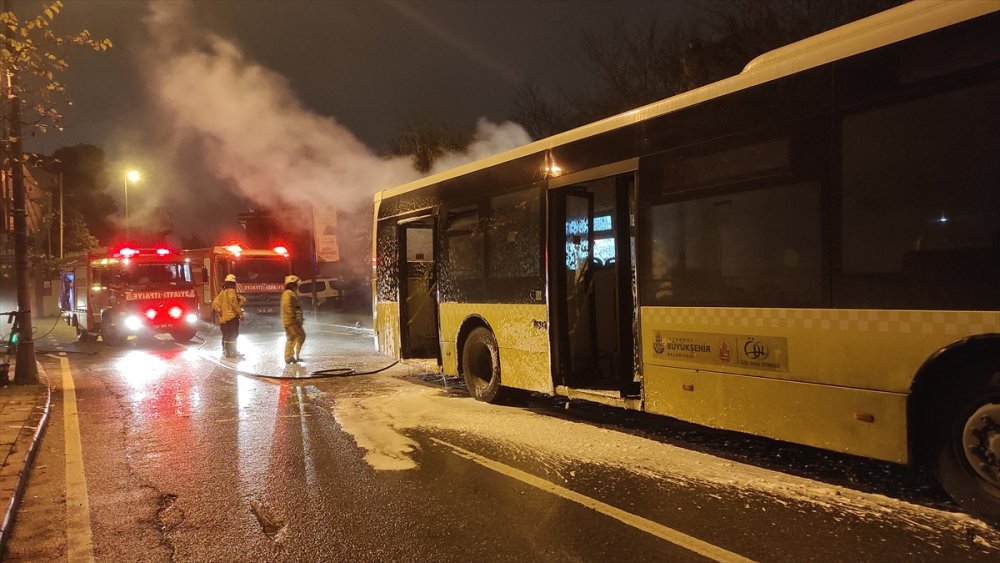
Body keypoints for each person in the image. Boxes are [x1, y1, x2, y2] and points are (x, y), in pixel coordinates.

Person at [212, 273, 246, 358]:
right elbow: (233, 303)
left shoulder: (222, 292)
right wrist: (240, 314)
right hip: (232, 317)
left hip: (224, 318)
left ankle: (227, 351)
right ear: (233, 283)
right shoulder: (231, 291)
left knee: (227, 334)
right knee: (234, 334)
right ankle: (232, 352)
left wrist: (219, 310)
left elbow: (214, 304)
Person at [281, 274, 306, 364]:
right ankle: (292, 356)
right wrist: (293, 318)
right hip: (292, 321)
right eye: (295, 283)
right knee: (299, 336)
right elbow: (287, 306)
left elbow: (296, 307)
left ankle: (290, 356)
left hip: (292, 320)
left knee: (292, 338)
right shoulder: (288, 293)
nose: (297, 285)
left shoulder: (291, 293)